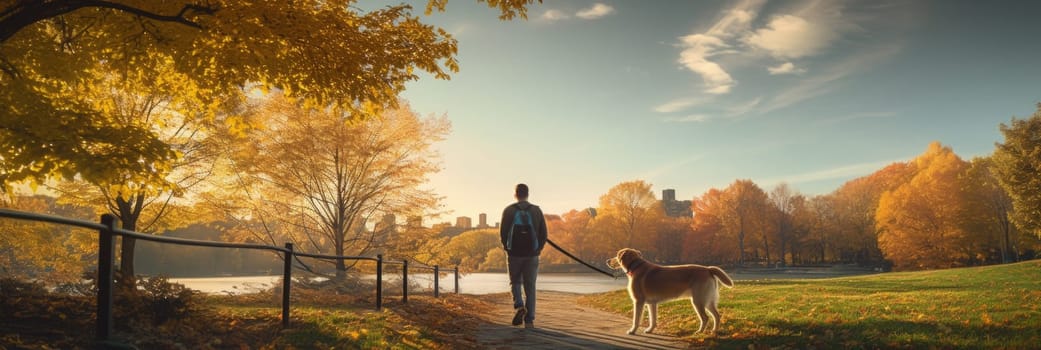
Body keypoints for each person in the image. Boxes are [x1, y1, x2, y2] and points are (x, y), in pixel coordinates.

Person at [500, 183, 547, 329]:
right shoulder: (536, 211)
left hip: (514, 253)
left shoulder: (508, 210)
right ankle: (529, 320)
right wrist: (538, 249)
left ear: (515, 194)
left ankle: (519, 305)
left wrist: (507, 248)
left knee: (515, 282)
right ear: (528, 194)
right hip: (532, 255)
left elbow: (503, 232)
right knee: (530, 286)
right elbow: (544, 234)